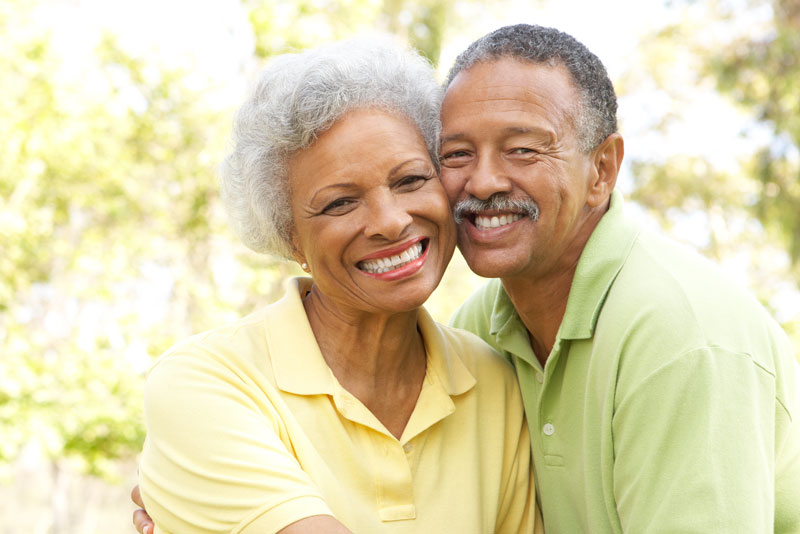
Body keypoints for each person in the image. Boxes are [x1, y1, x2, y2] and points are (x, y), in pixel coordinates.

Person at [132, 38, 541, 534]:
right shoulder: (206, 382)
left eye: (411, 180)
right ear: (290, 239)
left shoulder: (495, 383)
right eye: (340, 203)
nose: (390, 222)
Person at [440, 24, 800, 533]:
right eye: (457, 154)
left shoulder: (681, 334)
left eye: (523, 149)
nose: (482, 181)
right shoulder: (477, 328)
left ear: (602, 170)